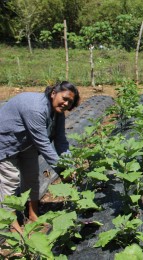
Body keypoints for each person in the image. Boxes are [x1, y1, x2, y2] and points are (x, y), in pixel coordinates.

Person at [0, 81, 80, 233]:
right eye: (64, 98)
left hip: (26, 143)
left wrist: (69, 166)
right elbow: (44, 144)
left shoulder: (58, 114)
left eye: (70, 102)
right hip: (5, 142)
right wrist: (62, 171)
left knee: (32, 177)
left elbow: (61, 142)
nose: (65, 103)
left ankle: (33, 215)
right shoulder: (36, 109)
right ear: (53, 93)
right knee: (11, 181)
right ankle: (12, 225)